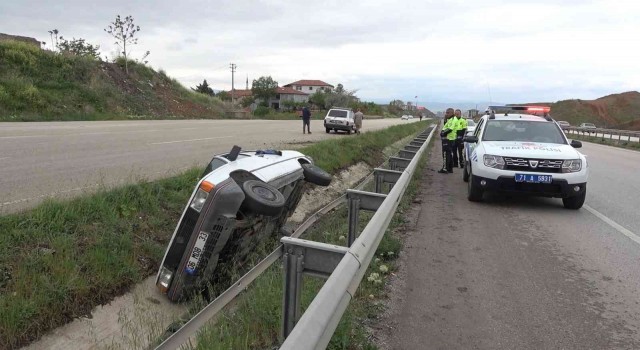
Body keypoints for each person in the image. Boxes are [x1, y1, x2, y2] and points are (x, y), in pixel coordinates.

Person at [438, 108, 456, 174]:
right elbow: (446, 126)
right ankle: (450, 169)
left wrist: (443, 133)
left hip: (448, 139)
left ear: (452, 113)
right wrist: (445, 119)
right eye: (446, 112)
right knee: (449, 154)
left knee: (445, 154)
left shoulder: (453, 119)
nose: (446, 114)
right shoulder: (450, 119)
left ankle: (445, 168)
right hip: (449, 139)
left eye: (448, 113)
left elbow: (450, 129)